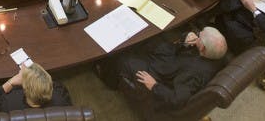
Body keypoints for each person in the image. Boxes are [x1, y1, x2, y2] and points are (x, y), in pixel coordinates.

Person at [97, 27, 227, 114]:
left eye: (199, 35)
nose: (197, 34)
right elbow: (188, 49)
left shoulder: (193, 75)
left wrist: (154, 86)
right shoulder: (216, 53)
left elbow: (177, 100)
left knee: (124, 59)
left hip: (161, 78)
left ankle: (107, 76)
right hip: (172, 61)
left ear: (203, 48)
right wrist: (186, 39)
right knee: (149, 36)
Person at [0, 61, 71, 119]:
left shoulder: (7, 105)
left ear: (25, 89)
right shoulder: (61, 99)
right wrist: (34, 78)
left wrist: (10, 82)